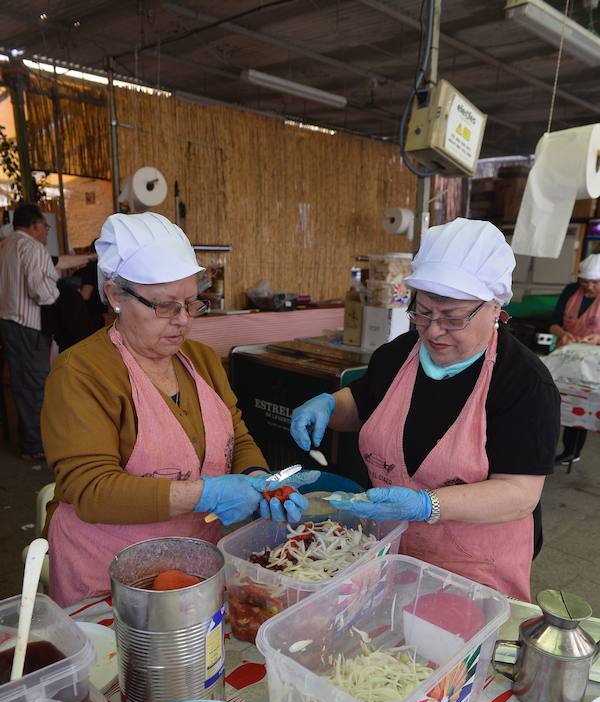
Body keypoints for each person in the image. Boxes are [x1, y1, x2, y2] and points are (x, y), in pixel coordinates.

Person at [42, 212, 306, 607]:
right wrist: (205, 494)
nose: (182, 321)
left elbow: (239, 438)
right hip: (109, 577)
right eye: (165, 307)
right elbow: (91, 489)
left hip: (199, 566)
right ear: (115, 296)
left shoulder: (201, 360)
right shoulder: (81, 372)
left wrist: (257, 479)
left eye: (191, 303)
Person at [290, 218, 561, 601]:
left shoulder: (525, 383)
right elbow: (366, 403)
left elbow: (519, 494)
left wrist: (426, 504)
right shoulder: (399, 354)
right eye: (423, 312)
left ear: (496, 307)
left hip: (474, 569)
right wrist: (330, 404)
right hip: (392, 551)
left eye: (452, 318)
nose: (433, 331)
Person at [0, 203, 58, 459]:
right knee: (35, 384)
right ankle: (37, 446)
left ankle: (30, 442)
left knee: (21, 385)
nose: (47, 231)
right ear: (34, 226)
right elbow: (42, 294)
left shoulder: (6, 245)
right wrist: (60, 290)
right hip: (27, 323)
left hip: (8, 323)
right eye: (45, 226)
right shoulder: (34, 248)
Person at [549, 253, 600, 465]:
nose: (588, 287)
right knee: (552, 399)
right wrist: (563, 334)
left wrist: (597, 338)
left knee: (580, 401)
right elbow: (553, 323)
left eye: (595, 283)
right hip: (566, 354)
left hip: (592, 362)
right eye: (585, 281)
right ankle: (544, 447)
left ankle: (572, 449)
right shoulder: (571, 291)